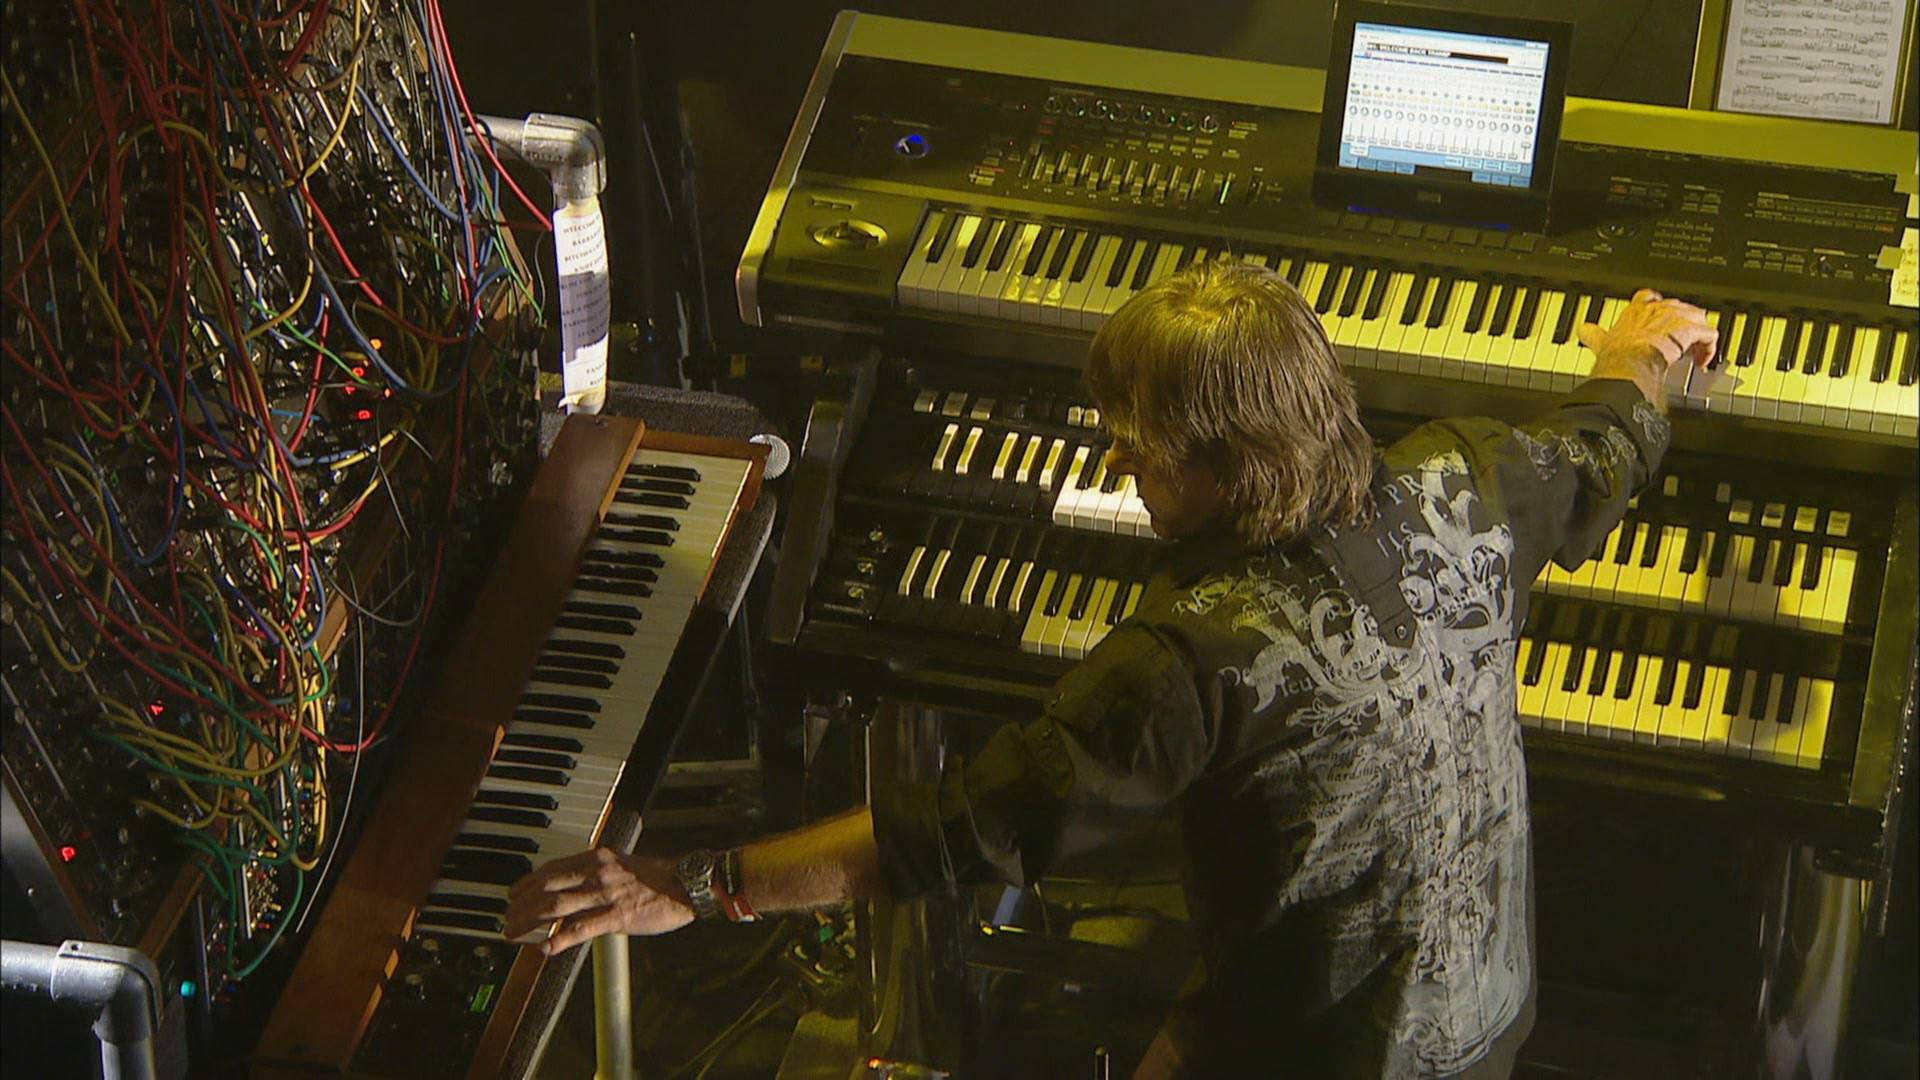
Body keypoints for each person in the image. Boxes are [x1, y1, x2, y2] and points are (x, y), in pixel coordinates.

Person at [504, 263, 1717, 1078]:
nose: (1118, 453)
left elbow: (955, 833)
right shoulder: (1478, 481)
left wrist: (695, 884)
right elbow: (1607, 441)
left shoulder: (1191, 659)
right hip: (1490, 1025)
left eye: (1140, 439)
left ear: (1220, 460)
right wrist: (1643, 359)